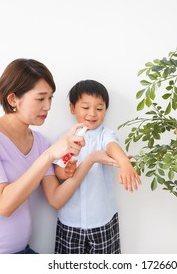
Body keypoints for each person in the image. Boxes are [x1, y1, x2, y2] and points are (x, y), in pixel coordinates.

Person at [0, 59, 117, 254]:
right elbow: (3, 205)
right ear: (13, 100)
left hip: (20, 252)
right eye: (41, 99)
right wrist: (49, 155)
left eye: (50, 98)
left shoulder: (40, 142)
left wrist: (89, 160)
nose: (48, 106)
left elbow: (56, 199)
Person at [47, 79, 141, 254]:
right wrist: (66, 172)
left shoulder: (105, 135)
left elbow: (113, 147)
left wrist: (125, 163)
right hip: (70, 222)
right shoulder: (64, 138)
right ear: (72, 108)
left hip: (102, 220)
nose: (92, 113)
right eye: (85, 107)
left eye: (99, 108)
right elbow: (57, 170)